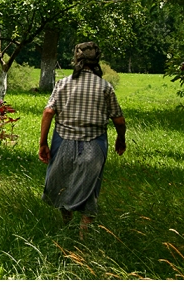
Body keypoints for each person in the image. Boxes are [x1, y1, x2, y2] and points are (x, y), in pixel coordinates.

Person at [38, 41, 127, 237]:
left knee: (63, 183)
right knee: (90, 188)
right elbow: (119, 120)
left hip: (64, 142)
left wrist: (43, 143)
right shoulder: (105, 87)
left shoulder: (63, 83)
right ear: (97, 60)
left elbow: (48, 112)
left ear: (76, 59)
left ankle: (66, 227)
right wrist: (121, 139)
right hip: (94, 144)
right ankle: (83, 237)